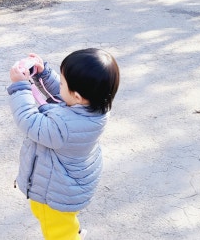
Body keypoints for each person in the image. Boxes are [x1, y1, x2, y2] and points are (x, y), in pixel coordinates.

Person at [7, 48, 120, 239]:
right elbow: (62, 97)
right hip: (69, 187)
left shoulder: (63, 128)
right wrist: (42, 73)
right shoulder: (93, 108)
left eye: (61, 83)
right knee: (64, 223)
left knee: (56, 232)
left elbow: (29, 120)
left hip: (53, 196)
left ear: (77, 96)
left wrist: (20, 86)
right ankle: (71, 232)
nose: (59, 85)